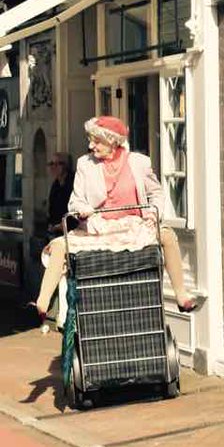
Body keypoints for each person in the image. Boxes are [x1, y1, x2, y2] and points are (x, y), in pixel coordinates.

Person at [31, 116, 197, 322]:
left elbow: (156, 194)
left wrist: (153, 215)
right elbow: (75, 202)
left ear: (112, 141)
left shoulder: (139, 163)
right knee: (58, 246)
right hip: (98, 227)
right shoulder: (85, 164)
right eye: (90, 140)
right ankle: (43, 303)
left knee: (168, 237)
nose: (91, 145)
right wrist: (83, 209)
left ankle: (182, 295)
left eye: (96, 141)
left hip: (134, 226)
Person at [45, 152, 74, 234]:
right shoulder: (55, 185)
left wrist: (63, 225)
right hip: (57, 231)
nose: (54, 167)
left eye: (59, 164)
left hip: (72, 231)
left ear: (66, 166)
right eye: (51, 164)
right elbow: (52, 209)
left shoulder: (74, 183)